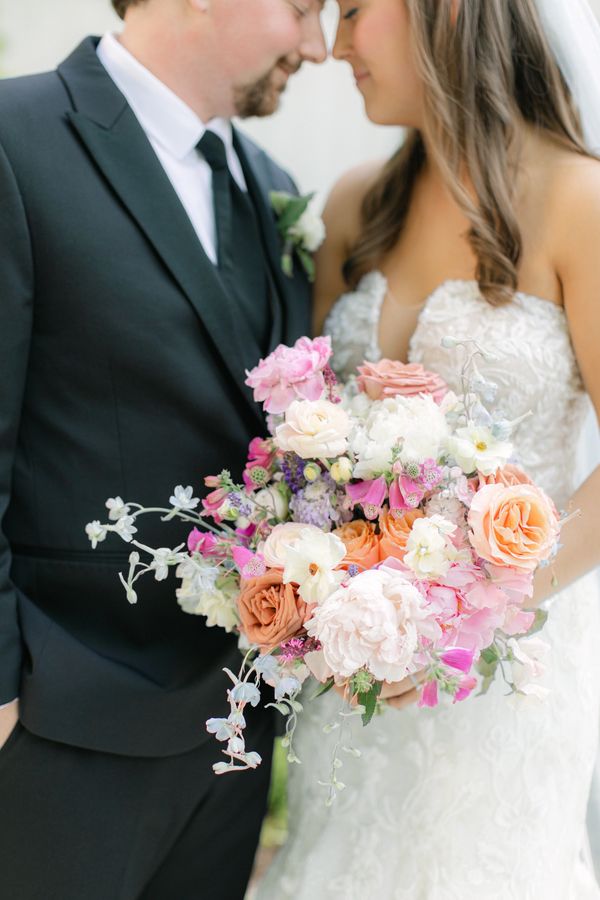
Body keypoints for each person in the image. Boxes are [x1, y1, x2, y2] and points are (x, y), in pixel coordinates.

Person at [257, 0, 600, 897]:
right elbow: (304, 447)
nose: (333, 48)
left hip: (507, 674)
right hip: (360, 669)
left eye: (357, 12)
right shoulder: (353, 204)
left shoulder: (578, 200)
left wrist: (462, 616)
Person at [0, 1, 326, 897]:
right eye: (302, 8)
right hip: (56, 730)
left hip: (228, 737)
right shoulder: (13, 137)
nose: (318, 46)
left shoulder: (270, 182)